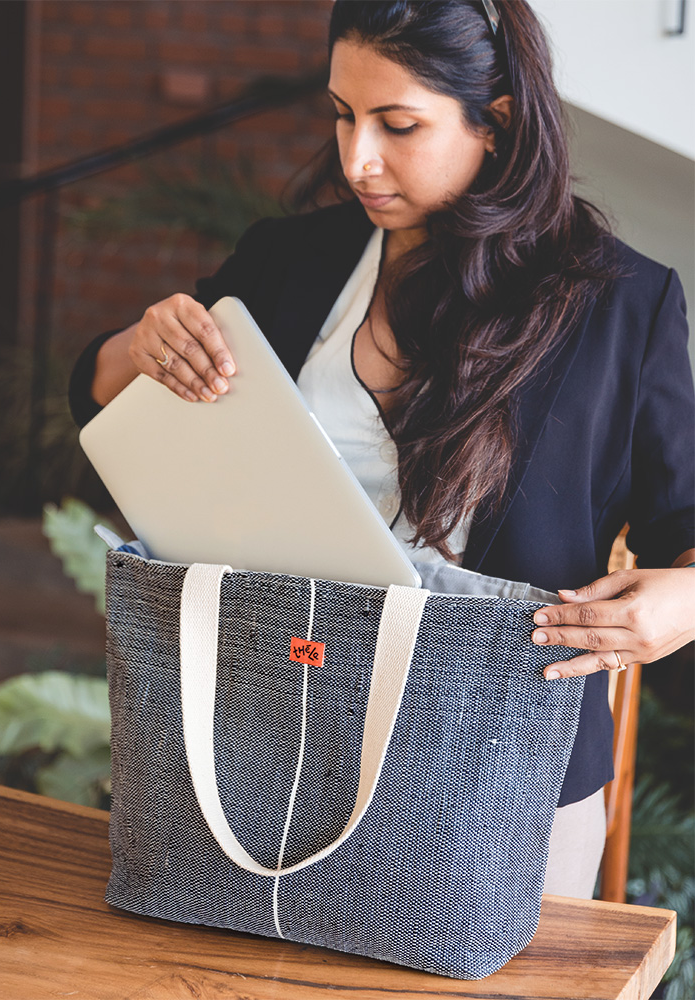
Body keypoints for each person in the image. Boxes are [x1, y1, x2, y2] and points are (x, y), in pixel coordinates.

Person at [69, 0, 694, 899]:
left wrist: (685, 600)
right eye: (340, 113)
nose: (356, 158)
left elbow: (684, 520)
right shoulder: (286, 259)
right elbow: (105, 400)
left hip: (503, 776)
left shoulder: (622, 306)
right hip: (261, 749)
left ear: (500, 120)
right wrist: (135, 347)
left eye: (398, 125)